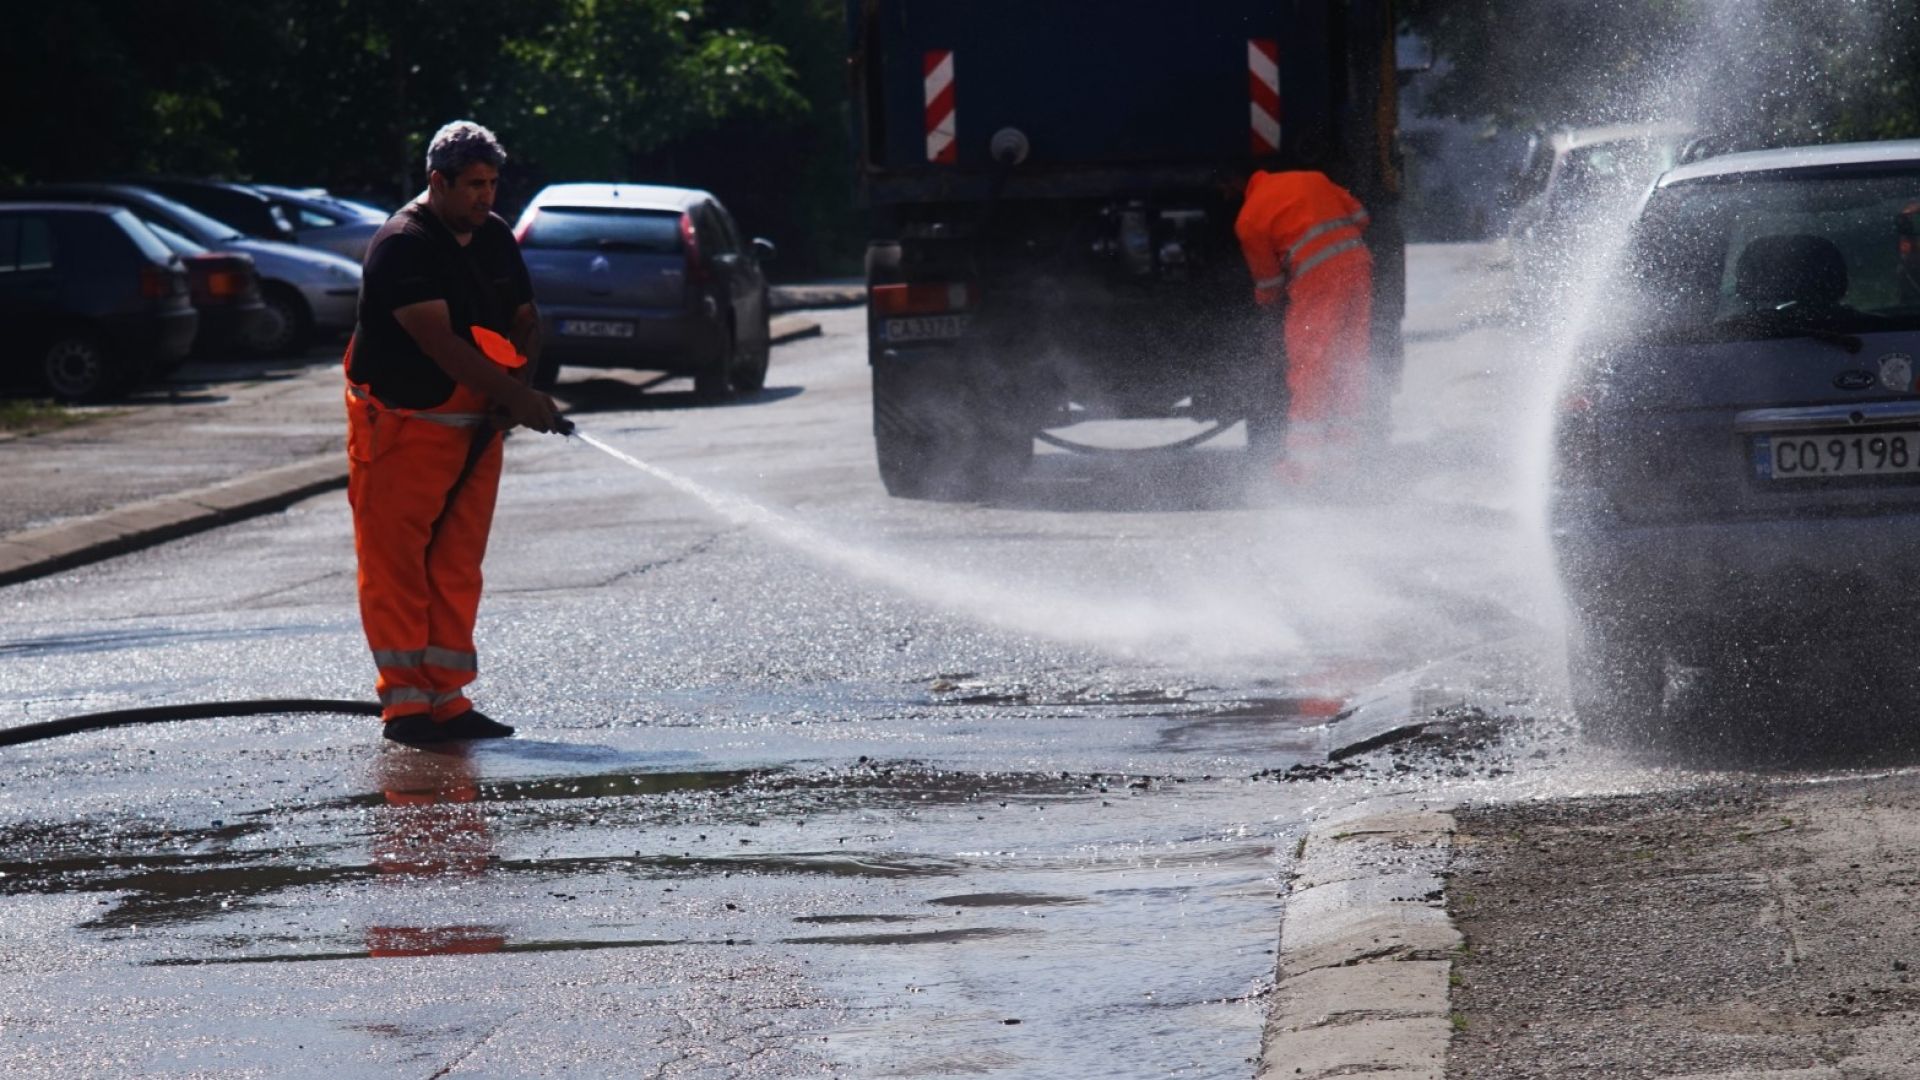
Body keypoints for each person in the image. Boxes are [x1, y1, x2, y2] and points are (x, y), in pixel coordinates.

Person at [344, 119, 563, 745]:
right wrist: (515, 395)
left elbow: (526, 319)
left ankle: (448, 699)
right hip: (402, 427)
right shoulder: (403, 246)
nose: (485, 197)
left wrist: (519, 381)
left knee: (457, 566)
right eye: (472, 185)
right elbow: (436, 340)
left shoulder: (493, 238)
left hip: (475, 426)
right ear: (437, 183)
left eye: (492, 183)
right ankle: (407, 708)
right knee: (396, 568)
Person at [1232, 170, 1374, 483]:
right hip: (1358, 267)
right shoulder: (1314, 178)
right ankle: (1344, 462)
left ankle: (1303, 468)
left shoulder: (1249, 219)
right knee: (1351, 359)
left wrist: (1269, 308)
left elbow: (1269, 285)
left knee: (1312, 363)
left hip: (1317, 280)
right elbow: (1361, 217)